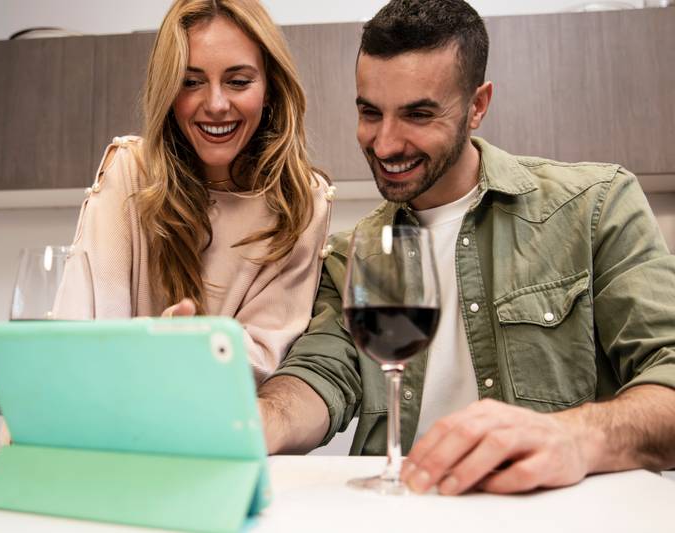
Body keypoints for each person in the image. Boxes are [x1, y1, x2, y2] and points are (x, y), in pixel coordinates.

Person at [258, 0, 675, 495]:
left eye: (418, 114)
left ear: (477, 105)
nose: (386, 144)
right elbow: (319, 375)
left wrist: (576, 435)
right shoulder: (352, 253)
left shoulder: (596, 207)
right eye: (371, 112)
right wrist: (255, 423)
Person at [55, 0, 334, 382]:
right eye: (190, 82)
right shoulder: (131, 171)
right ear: (168, 93)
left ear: (269, 88)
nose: (216, 105)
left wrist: (191, 345)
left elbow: (263, 357)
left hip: (223, 430)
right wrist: (159, 346)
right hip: (115, 425)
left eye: (238, 81)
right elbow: (81, 328)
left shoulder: (302, 201)